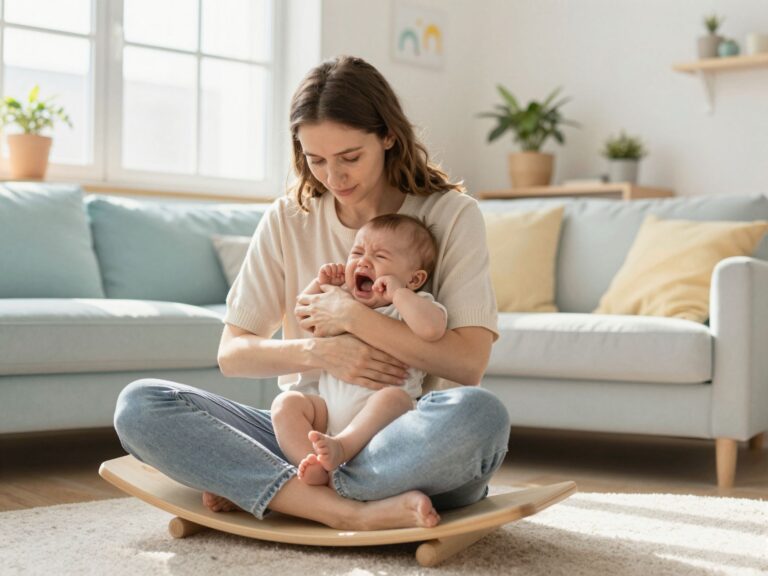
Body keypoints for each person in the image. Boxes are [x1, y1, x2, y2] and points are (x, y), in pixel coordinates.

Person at [113, 55, 510, 532]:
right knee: (141, 406)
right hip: (307, 438)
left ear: (388, 136)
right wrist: (323, 352)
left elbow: (468, 364)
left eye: (349, 158)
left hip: (406, 436)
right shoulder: (288, 218)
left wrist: (353, 316)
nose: (333, 177)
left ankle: (272, 490)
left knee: (479, 418)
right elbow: (233, 355)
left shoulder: (451, 215)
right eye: (315, 160)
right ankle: (348, 510)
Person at [271, 214, 448, 487]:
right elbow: (304, 316)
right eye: (357, 252)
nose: (364, 261)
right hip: (328, 417)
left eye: (380, 256)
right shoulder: (341, 301)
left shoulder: (412, 304)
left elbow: (432, 329)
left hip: (383, 428)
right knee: (286, 404)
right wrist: (320, 283)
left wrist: (400, 294)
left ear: (415, 278)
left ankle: (342, 448)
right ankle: (313, 464)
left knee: (394, 399)